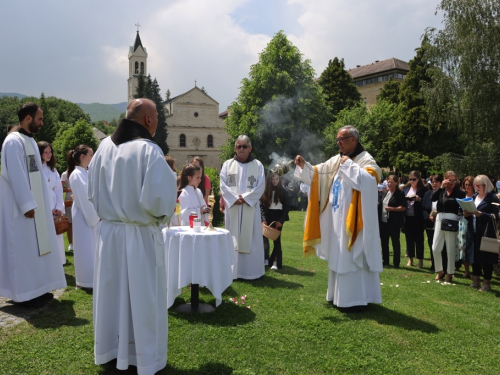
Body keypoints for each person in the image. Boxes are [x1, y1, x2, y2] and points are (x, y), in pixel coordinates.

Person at [88, 98, 177, 374]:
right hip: (138, 236)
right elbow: (160, 202)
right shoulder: (149, 151)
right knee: (143, 296)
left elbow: (92, 192)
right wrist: (160, 220)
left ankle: (112, 350)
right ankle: (143, 356)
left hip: (109, 234)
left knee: (112, 293)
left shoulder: (103, 148)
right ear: (149, 120)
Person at [294, 125, 383, 311]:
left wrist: (348, 165)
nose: (338, 142)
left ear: (354, 139)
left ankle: (355, 299)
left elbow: (370, 180)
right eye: (337, 139)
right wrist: (304, 166)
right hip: (336, 220)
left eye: (342, 139)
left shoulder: (365, 159)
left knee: (350, 258)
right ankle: (336, 296)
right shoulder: (337, 160)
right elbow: (318, 173)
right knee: (338, 257)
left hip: (354, 221)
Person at [0, 103, 66, 308]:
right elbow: (16, 175)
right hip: (22, 211)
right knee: (24, 250)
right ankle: (24, 294)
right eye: (40, 118)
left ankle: (38, 289)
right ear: (28, 118)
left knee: (37, 249)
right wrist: (27, 204)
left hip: (37, 208)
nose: (42, 122)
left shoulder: (29, 140)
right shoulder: (13, 141)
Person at [220, 135, 265, 280]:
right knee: (232, 237)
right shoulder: (227, 164)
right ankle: (233, 271)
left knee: (251, 239)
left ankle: (251, 272)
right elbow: (223, 184)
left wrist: (245, 198)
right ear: (235, 148)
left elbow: (260, 185)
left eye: (244, 146)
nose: (241, 149)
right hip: (233, 207)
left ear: (250, 148)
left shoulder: (258, 165)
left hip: (250, 207)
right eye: (238, 146)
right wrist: (234, 199)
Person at [68, 145, 99, 289]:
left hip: (89, 213)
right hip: (84, 215)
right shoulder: (76, 174)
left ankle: (93, 277)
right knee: (85, 247)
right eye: (91, 155)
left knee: (92, 247)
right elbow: (84, 198)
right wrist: (94, 216)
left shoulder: (85, 172)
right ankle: (85, 280)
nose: (92, 158)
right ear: (82, 156)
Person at [463, 175, 499, 291]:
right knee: (474, 257)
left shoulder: (492, 198)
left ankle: (487, 283)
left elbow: (496, 216)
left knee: (486, 258)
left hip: (486, 233)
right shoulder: (473, 197)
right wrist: (467, 214)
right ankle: (476, 280)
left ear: (486, 185)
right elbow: (470, 214)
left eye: (479, 185)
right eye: (475, 185)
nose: (476, 187)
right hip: (472, 231)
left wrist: (481, 214)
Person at [432, 171, 466, 282]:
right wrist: (441, 187)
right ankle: (440, 270)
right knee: (435, 248)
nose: (451, 183)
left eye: (454, 180)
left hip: (452, 219)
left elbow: (463, 206)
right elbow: (433, 198)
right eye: (449, 180)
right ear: (445, 180)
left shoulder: (459, 193)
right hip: (439, 218)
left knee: (450, 249)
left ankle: (449, 273)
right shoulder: (442, 191)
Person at [38, 141, 66, 265]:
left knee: (57, 235)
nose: (48, 154)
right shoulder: (36, 169)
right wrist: (48, 208)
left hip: (55, 208)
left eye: (50, 152)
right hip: (43, 209)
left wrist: (59, 207)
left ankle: (59, 263)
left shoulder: (53, 170)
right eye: (45, 152)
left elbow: (58, 190)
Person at [260, 172, 290, 270]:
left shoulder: (284, 191)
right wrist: (263, 220)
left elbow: (286, 207)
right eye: (273, 179)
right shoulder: (265, 191)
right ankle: (265, 259)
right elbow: (262, 207)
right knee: (264, 239)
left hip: (278, 216)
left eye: (277, 179)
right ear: (269, 180)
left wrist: (281, 220)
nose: (275, 181)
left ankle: (276, 262)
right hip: (268, 215)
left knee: (277, 240)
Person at [378, 174, 406, 268]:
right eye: (388, 182)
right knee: (384, 242)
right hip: (383, 222)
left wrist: (392, 209)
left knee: (395, 242)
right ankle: (385, 261)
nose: (389, 184)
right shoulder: (385, 192)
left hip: (394, 222)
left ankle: (396, 263)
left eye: (391, 182)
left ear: (396, 183)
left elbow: (403, 207)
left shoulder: (400, 193)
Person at [403, 171, 427, 268]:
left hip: (418, 217)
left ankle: (420, 260)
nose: (412, 181)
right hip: (408, 217)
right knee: (409, 239)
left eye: (414, 179)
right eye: (410, 179)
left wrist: (419, 199)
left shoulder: (423, 190)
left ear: (418, 179)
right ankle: (410, 258)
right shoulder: (406, 189)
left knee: (419, 239)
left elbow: (426, 202)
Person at [422, 174, 443, 271]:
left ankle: (442, 266)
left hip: (441, 222)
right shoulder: (427, 194)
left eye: (436, 182)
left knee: (441, 245)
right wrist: (429, 217)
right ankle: (434, 265)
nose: (434, 184)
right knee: (431, 244)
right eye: (432, 182)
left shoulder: (443, 193)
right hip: (430, 223)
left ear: (440, 183)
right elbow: (423, 208)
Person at [459, 176, 475, 278]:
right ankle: (466, 270)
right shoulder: (462, 196)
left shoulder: (477, 197)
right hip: (463, 222)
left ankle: (475, 270)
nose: (467, 187)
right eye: (465, 185)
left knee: (472, 246)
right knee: (463, 246)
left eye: (469, 185)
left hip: (473, 222)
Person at [60, 156, 73, 252]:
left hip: (79, 196)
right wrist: (68, 189)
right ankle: (71, 243)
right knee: (69, 222)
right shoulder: (65, 174)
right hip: (70, 197)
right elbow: (59, 188)